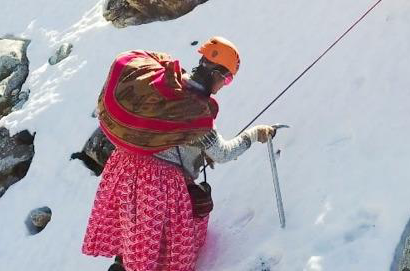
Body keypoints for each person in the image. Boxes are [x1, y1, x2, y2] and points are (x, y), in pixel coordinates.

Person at [82, 37, 275, 271]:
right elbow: (223, 153)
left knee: (132, 230)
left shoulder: (166, 83)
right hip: (157, 185)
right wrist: (253, 135)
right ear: (216, 74)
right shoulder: (196, 113)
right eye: (228, 78)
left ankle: (122, 264)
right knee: (155, 241)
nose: (225, 84)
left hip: (125, 167)